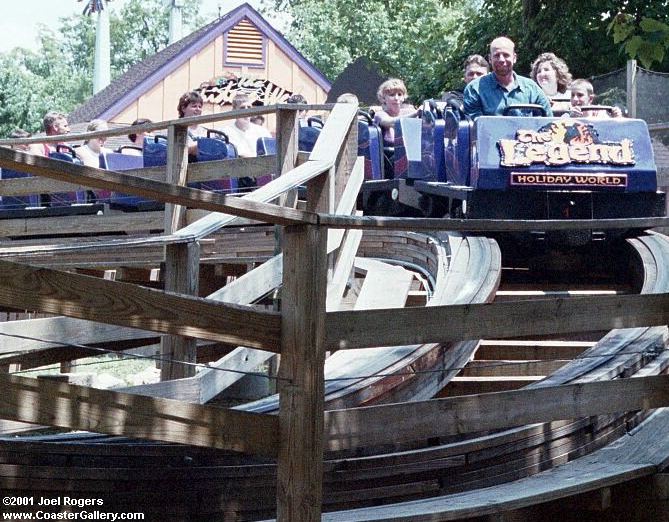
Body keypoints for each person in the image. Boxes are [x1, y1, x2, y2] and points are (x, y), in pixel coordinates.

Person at [463, 37, 552, 119]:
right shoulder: (474, 89)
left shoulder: (532, 89)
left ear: (514, 58)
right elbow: (477, 128)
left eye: (506, 55)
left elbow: (548, 122)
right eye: (497, 55)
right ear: (490, 59)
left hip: (528, 135)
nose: (501, 60)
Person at [222, 93, 272, 158]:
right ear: (233, 110)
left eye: (249, 107)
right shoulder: (226, 132)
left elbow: (272, 153)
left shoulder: (262, 131)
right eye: (242, 108)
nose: (246, 110)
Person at [373, 78, 419, 147]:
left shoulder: (410, 111)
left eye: (399, 94)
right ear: (383, 98)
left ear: (404, 97)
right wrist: (416, 113)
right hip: (389, 155)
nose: (396, 98)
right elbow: (390, 122)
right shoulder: (380, 114)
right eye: (392, 95)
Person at [177, 91, 208, 157]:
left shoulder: (206, 131)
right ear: (183, 108)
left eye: (200, 107)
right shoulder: (176, 130)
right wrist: (192, 149)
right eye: (194, 106)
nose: (198, 109)